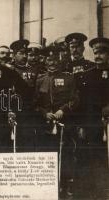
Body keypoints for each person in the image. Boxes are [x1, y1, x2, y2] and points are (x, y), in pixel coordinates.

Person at [34, 45, 78, 198]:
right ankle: (51, 189)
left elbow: (75, 99)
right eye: (49, 59)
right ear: (45, 61)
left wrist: (63, 110)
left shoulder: (68, 78)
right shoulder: (40, 79)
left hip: (64, 126)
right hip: (45, 126)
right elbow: (35, 103)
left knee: (65, 156)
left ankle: (67, 188)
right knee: (47, 156)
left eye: (54, 60)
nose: (52, 63)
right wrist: (44, 113)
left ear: (60, 60)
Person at [73, 37, 109, 199]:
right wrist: (81, 125)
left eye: (102, 52)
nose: (98, 55)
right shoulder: (87, 76)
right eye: (95, 52)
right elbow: (81, 103)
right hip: (93, 126)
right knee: (93, 160)